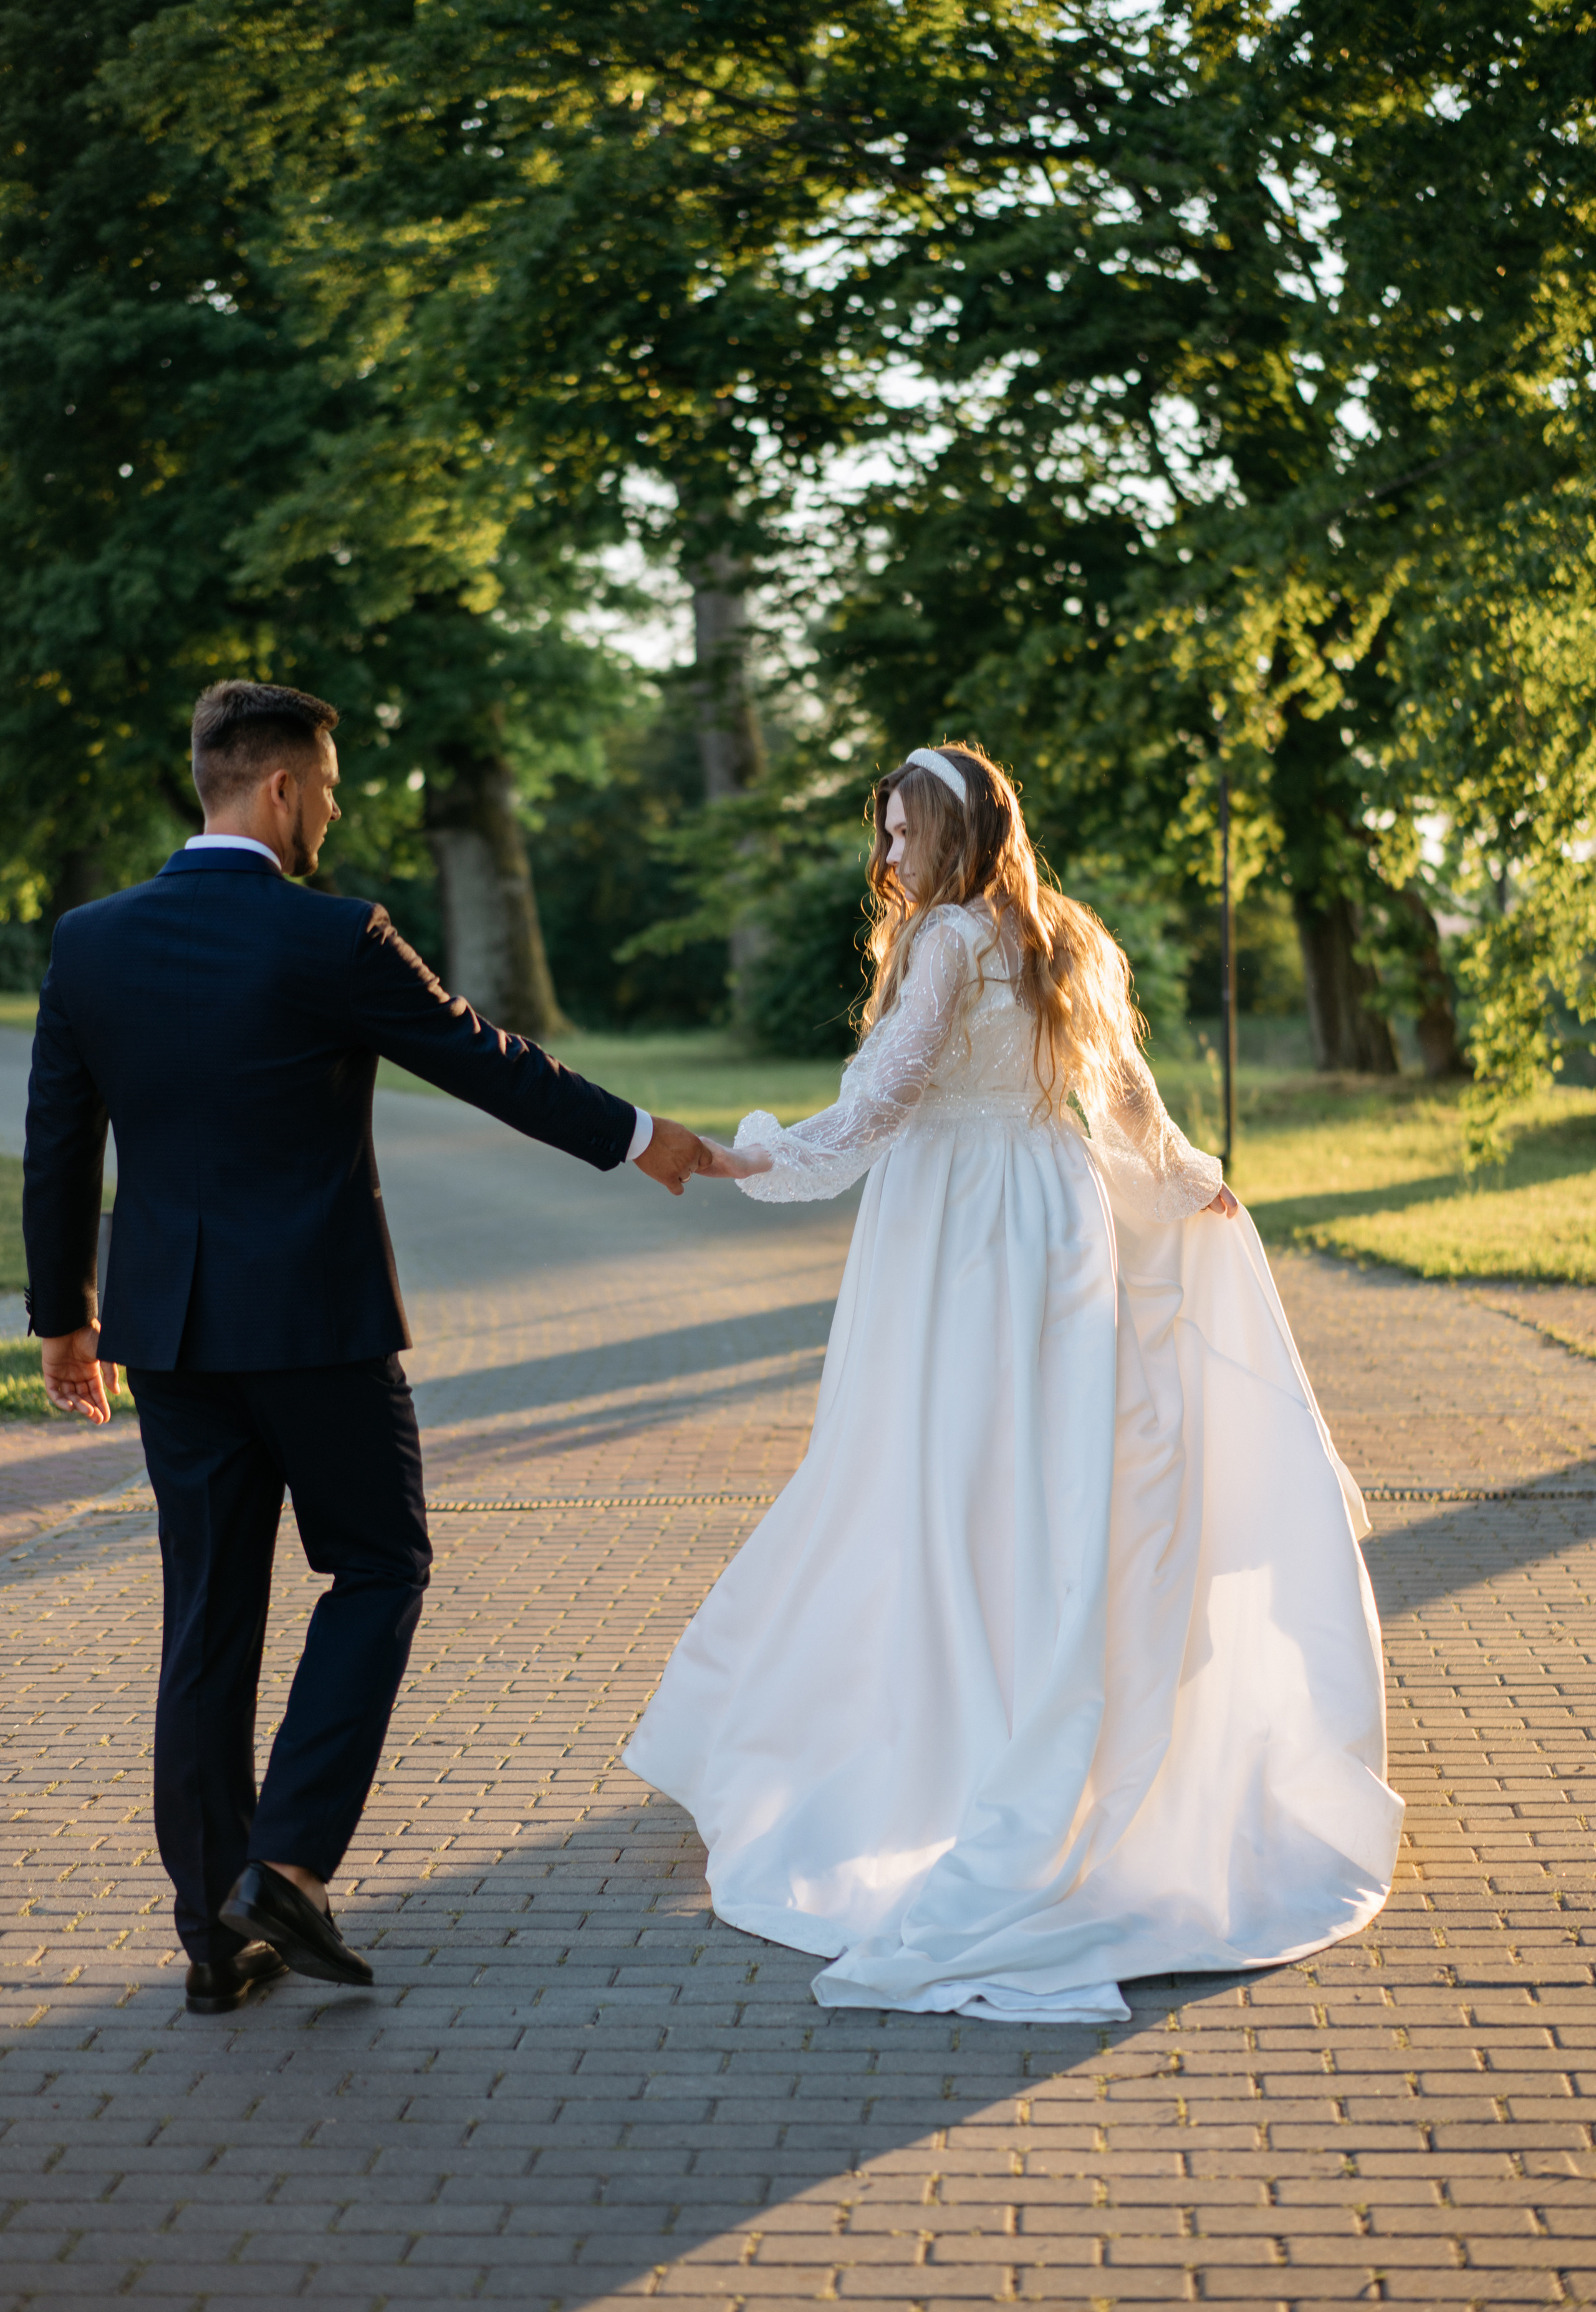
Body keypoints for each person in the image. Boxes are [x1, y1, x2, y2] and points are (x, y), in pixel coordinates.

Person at [636, 741, 1402, 2022]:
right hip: (1058, 1222)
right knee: (1055, 1467)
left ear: (945, 834)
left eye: (895, 833)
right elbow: (1132, 1105)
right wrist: (1187, 1182)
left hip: (962, 1234)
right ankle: (1040, 1680)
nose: (881, 857)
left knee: (941, 1469)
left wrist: (747, 1155)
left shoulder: (942, 941)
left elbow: (877, 1108)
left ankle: (969, 1738)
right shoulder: (1065, 935)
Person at [24, 679, 713, 2016]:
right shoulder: (333, 938)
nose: (334, 809)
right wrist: (644, 1137)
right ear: (279, 788)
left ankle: (217, 1937)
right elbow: (485, 1059)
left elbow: (60, 1141)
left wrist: (65, 1318)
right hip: (318, 1335)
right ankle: (284, 1863)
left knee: (207, 1620)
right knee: (381, 1561)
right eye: (329, 787)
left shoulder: (92, 941)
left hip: (167, 1336)